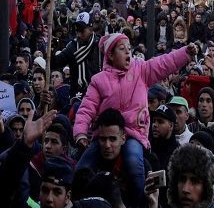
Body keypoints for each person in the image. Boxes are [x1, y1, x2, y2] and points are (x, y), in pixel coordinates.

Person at [74, 33, 195, 206]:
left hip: (133, 133)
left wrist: (185, 53)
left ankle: (140, 204)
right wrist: (80, 133)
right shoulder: (98, 80)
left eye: (129, 49)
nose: (127, 52)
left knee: (134, 164)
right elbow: (86, 108)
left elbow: (163, 63)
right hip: (106, 134)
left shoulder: (141, 70)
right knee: (82, 167)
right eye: (122, 49)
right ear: (110, 55)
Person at [52, 12, 101, 96]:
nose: (79, 34)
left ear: (90, 28)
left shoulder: (100, 45)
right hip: (78, 93)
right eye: (77, 30)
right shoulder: (73, 46)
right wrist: (52, 51)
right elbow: (57, 62)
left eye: (82, 31)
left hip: (98, 92)